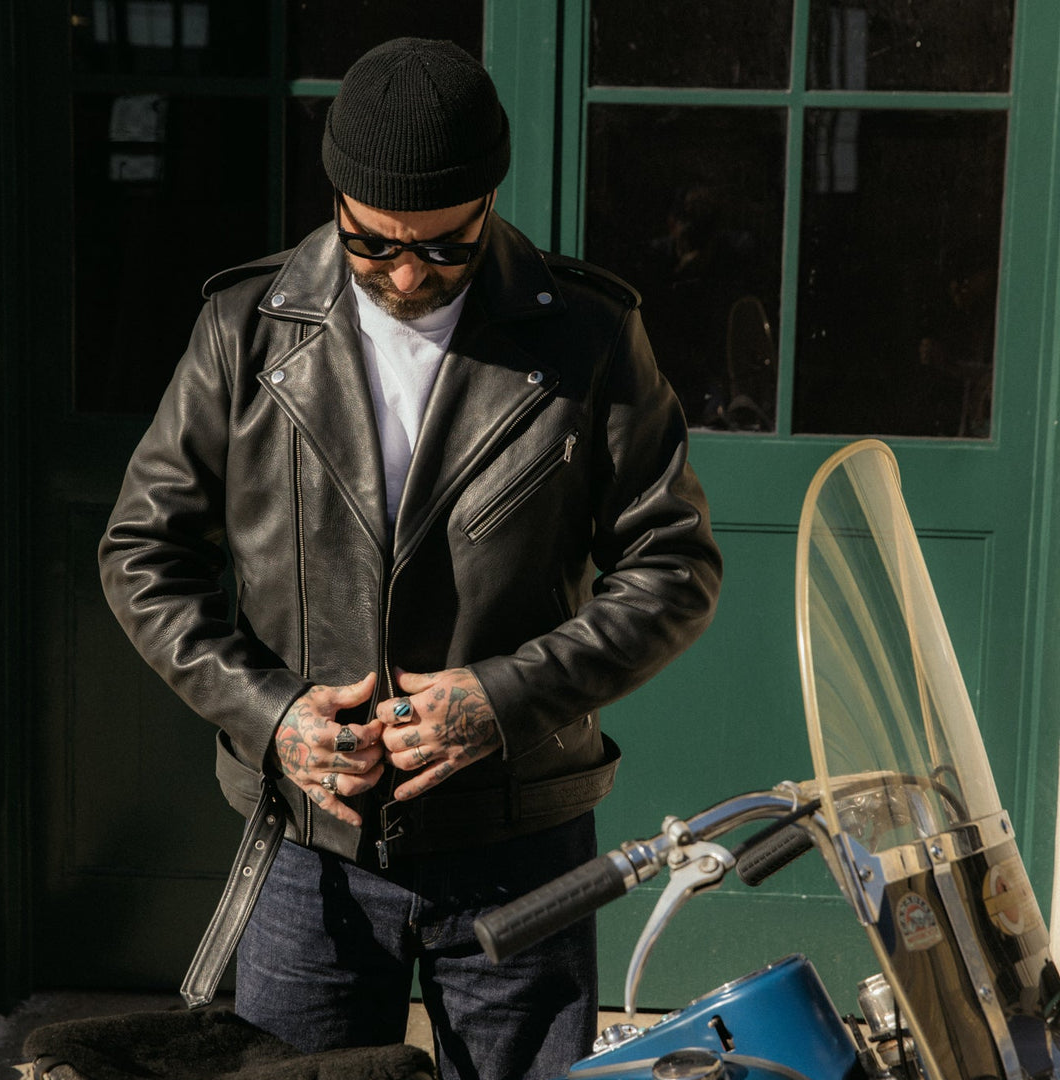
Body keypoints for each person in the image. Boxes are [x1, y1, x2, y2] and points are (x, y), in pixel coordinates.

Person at [98, 37, 722, 1080]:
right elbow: (142, 551)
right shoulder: (246, 328)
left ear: (490, 202)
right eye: (372, 242)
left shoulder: (590, 332)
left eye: (444, 248)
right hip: (310, 845)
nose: (405, 273)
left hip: (520, 837)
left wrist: (505, 697)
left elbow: (675, 566)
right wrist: (272, 714)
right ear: (336, 197)